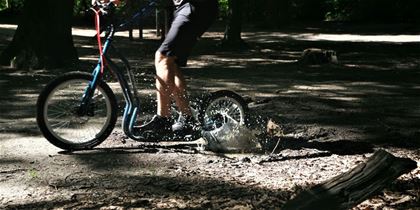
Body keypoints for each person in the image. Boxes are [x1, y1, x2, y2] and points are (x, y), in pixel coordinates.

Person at [137, 0, 219, 138]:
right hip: (186, 8)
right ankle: (187, 119)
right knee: (171, 62)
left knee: (163, 57)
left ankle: (163, 120)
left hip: (196, 7)